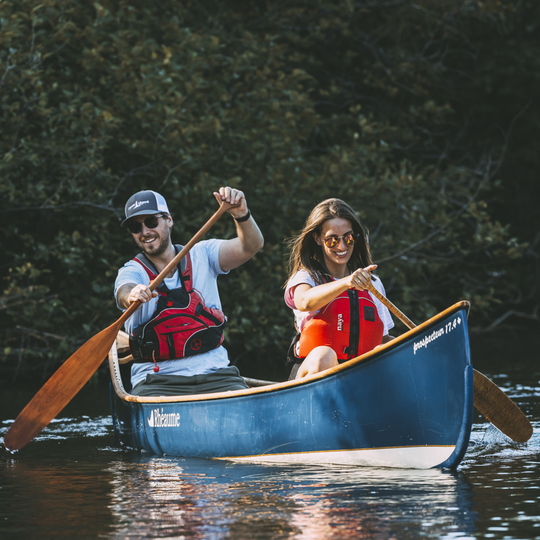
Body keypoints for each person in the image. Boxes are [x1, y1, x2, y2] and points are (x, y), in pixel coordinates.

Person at [114, 187, 264, 396]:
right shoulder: (132, 271)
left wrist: (241, 215)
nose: (145, 231)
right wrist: (132, 294)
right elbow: (123, 291)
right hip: (157, 382)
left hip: (216, 373)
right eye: (135, 226)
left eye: (151, 222)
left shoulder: (203, 253)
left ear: (168, 220)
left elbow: (251, 246)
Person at [284, 198, 395, 379]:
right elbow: (304, 302)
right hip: (314, 372)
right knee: (324, 355)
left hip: (357, 378)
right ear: (318, 239)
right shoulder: (306, 277)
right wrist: (347, 282)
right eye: (332, 240)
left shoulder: (372, 283)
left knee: (385, 351)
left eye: (348, 238)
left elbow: (382, 339)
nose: (342, 246)